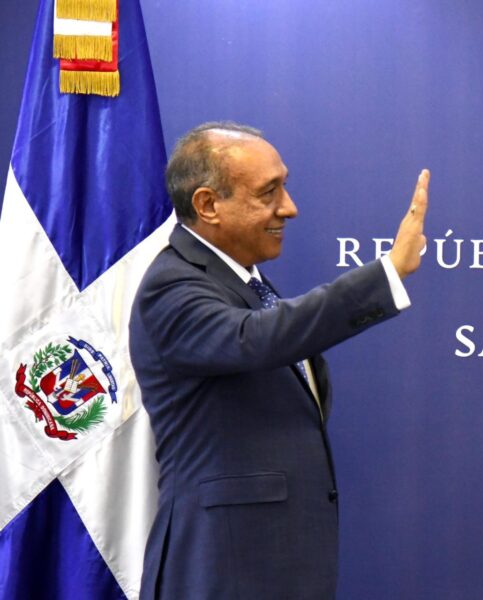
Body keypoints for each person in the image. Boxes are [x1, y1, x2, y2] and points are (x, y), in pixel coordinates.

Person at [129, 122, 429, 599]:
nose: (289, 207)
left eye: (284, 187)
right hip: (221, 572)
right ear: (208, 205)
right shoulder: (172, 285)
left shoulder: (245, 283)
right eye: (268, 193)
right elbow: (255, 338)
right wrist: (386, 274)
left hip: (276, 567)